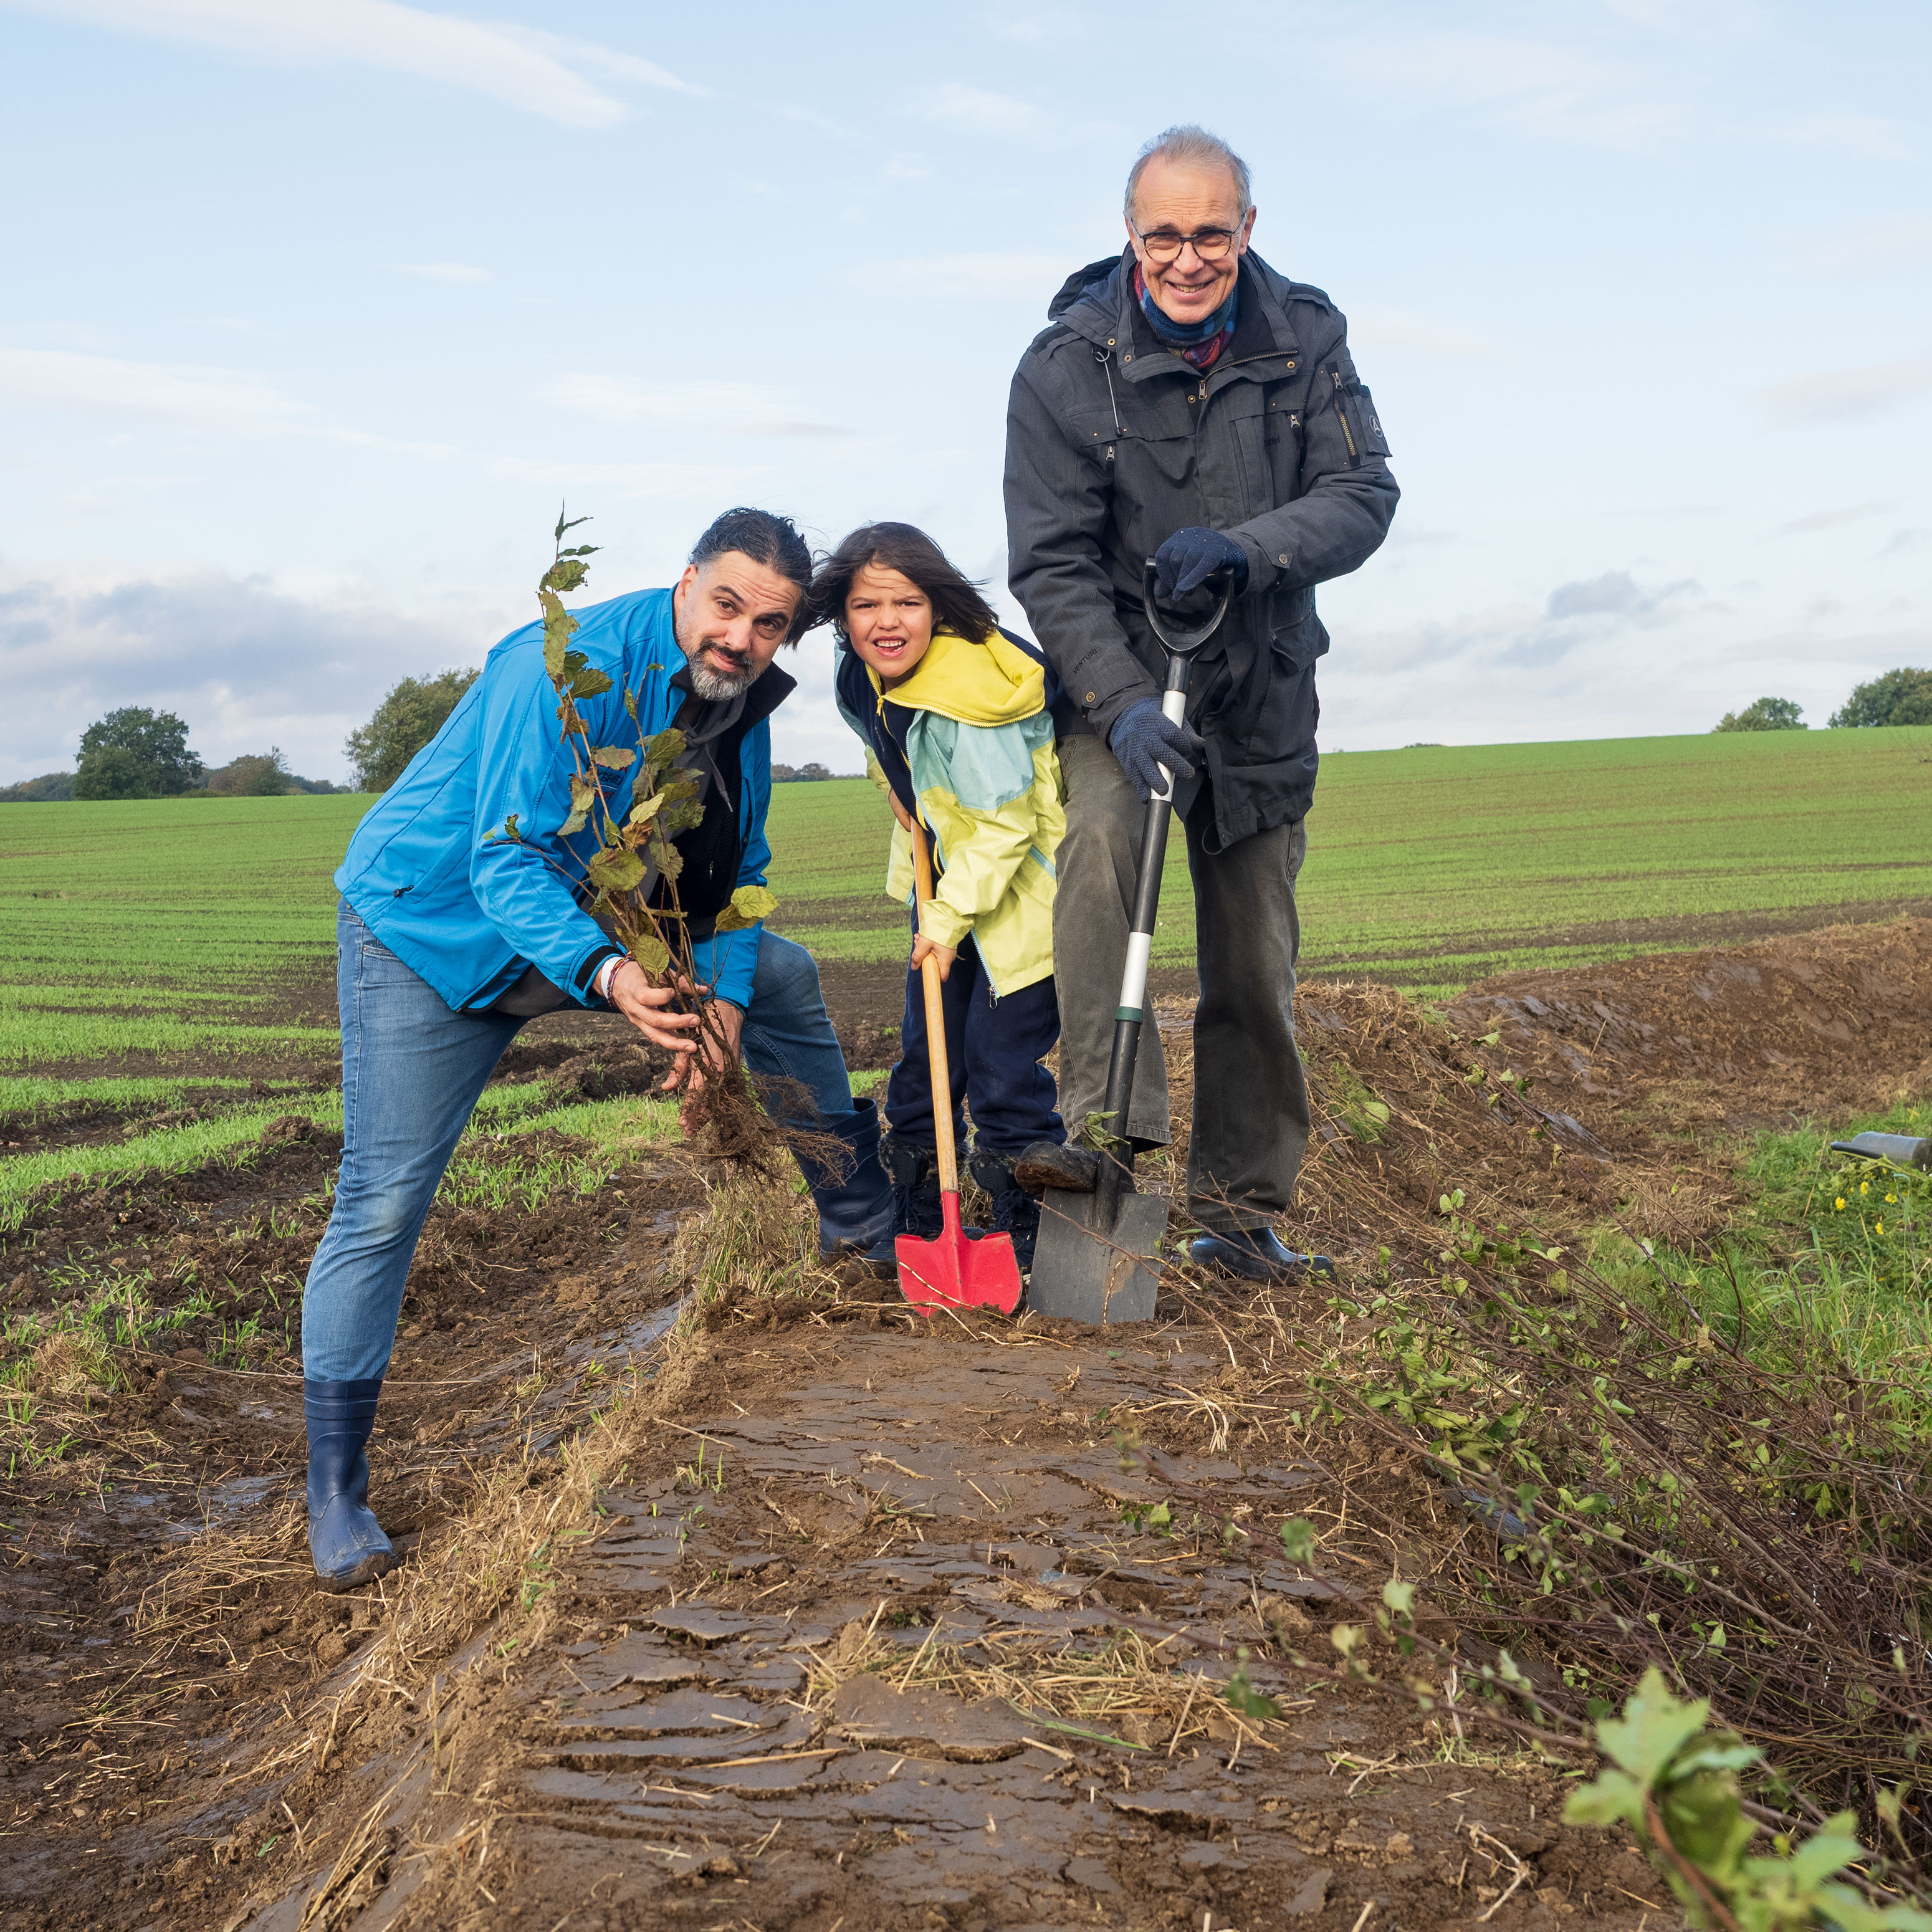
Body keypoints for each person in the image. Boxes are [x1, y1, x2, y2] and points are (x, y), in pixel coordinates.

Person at [300, 507, 895, 1590]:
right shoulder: (557, 670)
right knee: (382, 1197)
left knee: (787, 979)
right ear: (685, 582)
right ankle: (334, 1493)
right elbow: (506, 862)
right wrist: (618, 979)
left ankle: (863, 1231)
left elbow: (742, 857)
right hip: (427, 928)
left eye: (769, 624)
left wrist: (717, 996)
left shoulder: (736, 698)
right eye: (726, 605)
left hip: (594, 923)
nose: (741, 638)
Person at [1003, 125, 1399, 1283]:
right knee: (1101, 872)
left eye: (1210, 233)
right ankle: (1105, 1159)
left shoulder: (1305, 338)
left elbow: (1364, 493)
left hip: (1262, 690)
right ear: (1129, 234)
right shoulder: (1062, 367)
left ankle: (1238, 1212)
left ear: (1247, 229)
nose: (1187, 257)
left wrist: (1244, 548)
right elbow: (1053, 564)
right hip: (1118, 690)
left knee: (1254, 955)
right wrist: (1122, 706)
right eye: (1164, 234)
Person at [811, 523, 1068, 1269]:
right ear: (842, 615)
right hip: (948, 895)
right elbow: (894, 751)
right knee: (925, 1062)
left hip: (1018, 905)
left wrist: (947, 920)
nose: (886, 620)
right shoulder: (868, 676)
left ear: (939, 607)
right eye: (866, 604)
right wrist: (902, 796)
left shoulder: (967, 698)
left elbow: (1005, 827)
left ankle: (1033, 1236)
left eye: (907, 602)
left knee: (1001, 1070)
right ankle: (920, 1219)